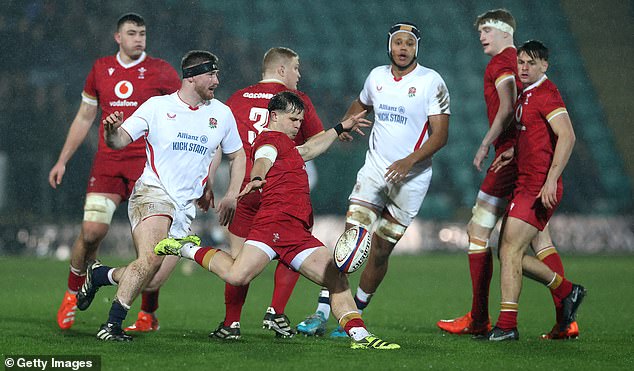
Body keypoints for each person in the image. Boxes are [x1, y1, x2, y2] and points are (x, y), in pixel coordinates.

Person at [155, 91, 399, 350]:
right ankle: (184, 247)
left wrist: (340, 128)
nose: (298, 125)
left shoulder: (290, 148)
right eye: (293, 119)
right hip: (272, 226)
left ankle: (360, 337)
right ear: (274, 116)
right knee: (237, 276)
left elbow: (310, 148)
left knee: (337, 279)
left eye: (300, 120)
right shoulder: (270, 140)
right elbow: (263, 158)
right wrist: (257, 177)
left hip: (297, 232)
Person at [79, 50, 246, 341]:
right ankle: (112, 325)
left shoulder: (221, 113)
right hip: (152, 194)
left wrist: (230, 193)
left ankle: (98, 275)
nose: (217, 81)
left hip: (183, 209)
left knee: (150, 279)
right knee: (151, 258)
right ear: (192, 77)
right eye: (211, 74)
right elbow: (118, 141)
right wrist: (109, 131)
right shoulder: (157, 106)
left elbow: (238, 154)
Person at [297, 21, 450, 337]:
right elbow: (362, 102)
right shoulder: (376, 77)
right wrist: (347, 123)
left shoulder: (431, 82)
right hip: (374, 171)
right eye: (398, 43)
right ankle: (322, 312)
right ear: (390, 46)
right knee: (351, 240)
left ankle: (356, 312)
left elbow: (441, 136)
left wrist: (409, 161)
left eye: (409, 43)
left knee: (380, 251)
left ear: (416, 48)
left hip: (412, 178)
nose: (403, 48)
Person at [437, 9, 581, 340]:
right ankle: (565, 318)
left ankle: (481, 318)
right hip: (520, 158)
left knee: (480, 233)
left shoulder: (503, 63)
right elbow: (524, 116)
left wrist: (488, 144)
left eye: (487, 29)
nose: (481, 36)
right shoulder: (522, 74)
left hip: (512, 164)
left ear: (505, 32)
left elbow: (508, 108)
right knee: (539, 241)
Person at [50, 13, 181, 331]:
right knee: (92, 231)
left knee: (150, 248)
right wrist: (62, 160)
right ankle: (71, 294)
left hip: (148, 169)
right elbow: (84, 117)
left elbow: (182, 113)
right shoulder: (100, 69)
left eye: (143, 33)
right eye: (132, 33)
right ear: (117, 38)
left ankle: (148, 314)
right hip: (108, 165)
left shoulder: (161, 71)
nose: (139, 38)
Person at [208, 47, 325, 340]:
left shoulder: (236, 99)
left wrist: (218, 186)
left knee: (238, 263)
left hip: (246, 189)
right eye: (296, 68)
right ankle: (275, 311)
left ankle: (231, 324)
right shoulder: (297, 102)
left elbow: (220, 145)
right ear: (283, 70)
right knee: (291, 252)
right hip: (281, 192)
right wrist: (338, 131)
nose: (299, 75)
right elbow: (312, 144)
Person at [482, 40, 586, 341]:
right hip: (526, 182)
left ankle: (508, 324)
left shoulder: (547, 94)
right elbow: (535, 135)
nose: (524, 67)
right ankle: (565, 295)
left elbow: (567, 136)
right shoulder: (527, 95)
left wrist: (552, 178)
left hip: (537, 185)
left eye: (531, 63)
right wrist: (513, 151)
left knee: (510, 251)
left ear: (545, 66)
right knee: (513, 250)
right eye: (521, 62)